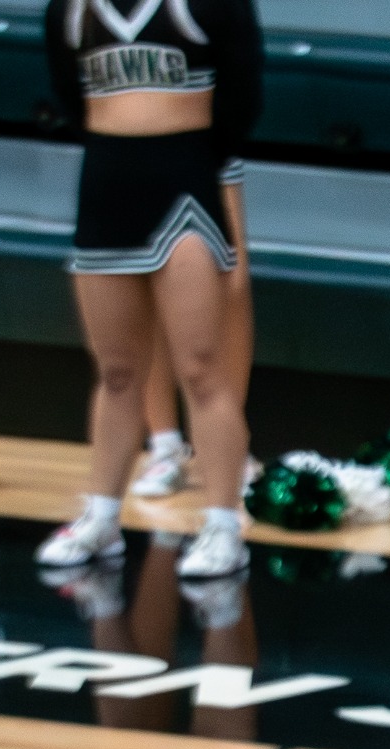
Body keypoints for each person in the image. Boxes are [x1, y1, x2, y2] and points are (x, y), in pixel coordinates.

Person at [37, 0, 262, 577]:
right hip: (106, 185)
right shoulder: (71, 9)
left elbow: (243, 100)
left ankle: (220, 525)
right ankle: (102, 517)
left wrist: (188, 158)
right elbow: (67, 94)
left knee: (201, 369)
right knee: (115, 372)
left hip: (185, 185)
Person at [125, 156, 254, 500]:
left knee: (231, 282)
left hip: (208, 144)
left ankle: (230, 446)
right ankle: (165, 446)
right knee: (143, 281)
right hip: (134, 147)